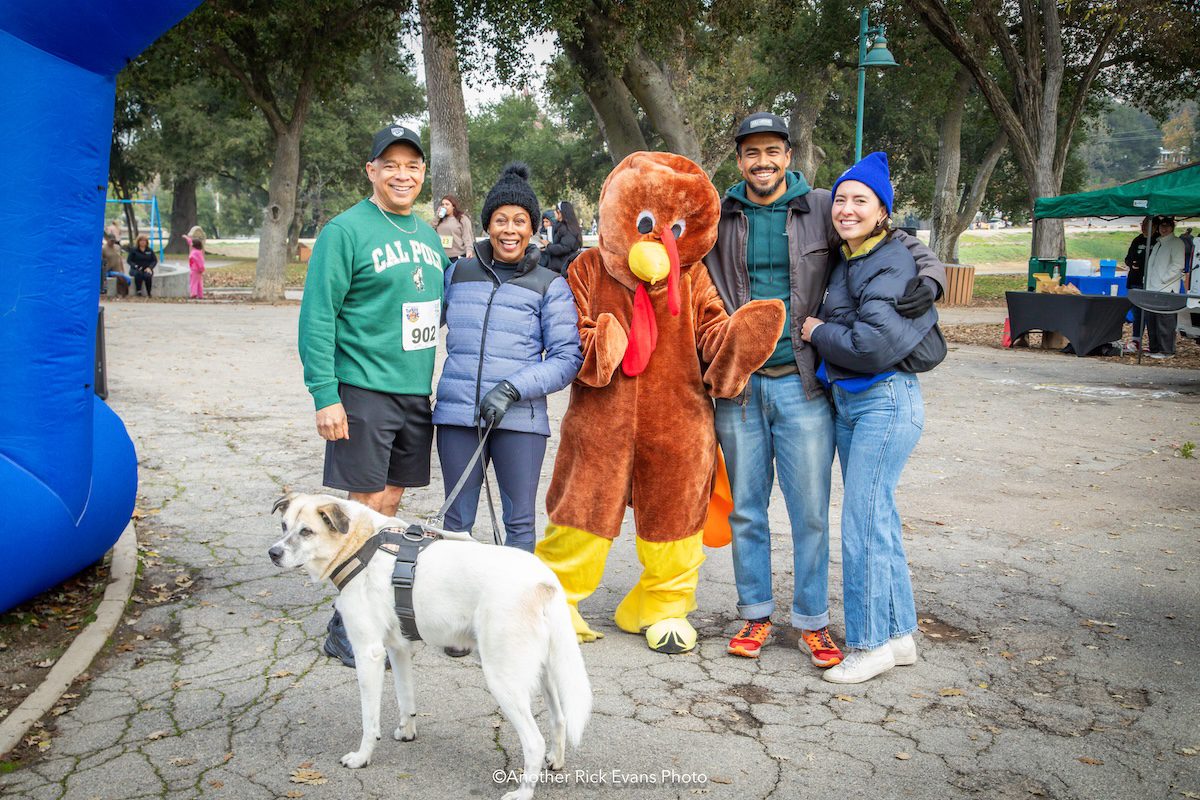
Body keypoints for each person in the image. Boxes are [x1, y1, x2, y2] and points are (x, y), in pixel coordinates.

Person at [704, 111, 946, 669]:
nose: (762, 162)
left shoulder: (821, 207)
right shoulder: (721, 215)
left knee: (811, 511)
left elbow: (897, 239)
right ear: (739, 160)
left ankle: (812, 620)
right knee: (746, 508)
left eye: (773, 152)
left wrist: (930, 279)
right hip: (739, 386)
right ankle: (755, 613)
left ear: (788, 156)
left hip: (803, 384)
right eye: (751, 153)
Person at [297, 124, 448, 666]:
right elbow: (318, 316)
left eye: (412, 166)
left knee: (387, 507)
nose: (402, 174)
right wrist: (324, 393)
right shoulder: (345, 231)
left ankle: (369, 609)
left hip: (414, 392)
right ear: (372, 171)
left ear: (422, 174)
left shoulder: (429, 236)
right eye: (391, 165)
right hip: (361, 389)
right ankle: (346, 627)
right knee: (359, 511)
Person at [799, 152, 935, 683]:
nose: (847, 209)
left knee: (861, 522)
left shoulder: (890, 258)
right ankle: (899, 635)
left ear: (884, 211)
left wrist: (815, 332)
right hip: (853, 402)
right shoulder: (849, 255)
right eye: (841, 199)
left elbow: (873, 343)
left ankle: (870, 642)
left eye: (861, 200)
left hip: (886, 399)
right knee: (878, 519)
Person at [433, 163, 582, 553]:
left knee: (518, 524)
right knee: (455, 524)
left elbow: (567, 357)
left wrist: (512, 389)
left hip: (520, 420)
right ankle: (457, 611)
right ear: (488, 224)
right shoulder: (458, 274)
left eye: (520, 221)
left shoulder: (550, 285)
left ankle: (517, 611)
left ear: (533, 228)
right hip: (457, 417)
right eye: (501, 220)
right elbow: (423, 323)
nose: (510, 230)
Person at [1144, 216, 1186, 359]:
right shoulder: (1158, 243)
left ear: (1172, 227)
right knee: (1152, 320)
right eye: (1162, 226)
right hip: (1152, 287)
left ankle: (1167, 350)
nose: (1164, 228)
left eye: (1167, 226)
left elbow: (1178, 265)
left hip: (1166, 288)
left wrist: (1164, 279)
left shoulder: (1176, 243)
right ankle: (1155, 348)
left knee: (1165, 321)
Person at [1122, 217, 1152, 354]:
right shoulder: (1137, 240)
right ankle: (1136, 339)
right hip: (1134, 280)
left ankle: (1153, 342)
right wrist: (1131, 263)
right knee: (1136, 312)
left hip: (1148, 282)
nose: (1144, 227)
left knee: (1148, 314)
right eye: (1143, 224)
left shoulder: (1157, 240)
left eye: (1148, 225)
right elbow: (1128, 258)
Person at [543, 201, 583, 274]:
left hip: (563, 268)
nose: (554, 212)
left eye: (556, 210)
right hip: (559, 265)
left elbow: (564, 248)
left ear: (559, 212)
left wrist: (548, 245)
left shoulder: (568, 229)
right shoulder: (562, 226)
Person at [433, 194, 473, 263]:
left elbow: (467, 236)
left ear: (453, 206)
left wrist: (469, 250)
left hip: (457, 256)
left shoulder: (462, 219)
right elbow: (430, 230)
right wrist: (437, 217)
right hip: (442, 256)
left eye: (447, 204)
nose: (444, 206)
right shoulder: (439, 220)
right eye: (442, 204)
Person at [184, 234, 205, 299]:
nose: (191, 244)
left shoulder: (195, 253)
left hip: (195, 269)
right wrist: (186, 238)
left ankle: (193, 294)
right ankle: (200, 295)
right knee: (199, 282)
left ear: (194, 245)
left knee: (193, 282)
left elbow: (199, 261)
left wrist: (201, 268)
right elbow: (191, 242)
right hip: (198, 270)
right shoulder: (198, 251)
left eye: (192, 243)